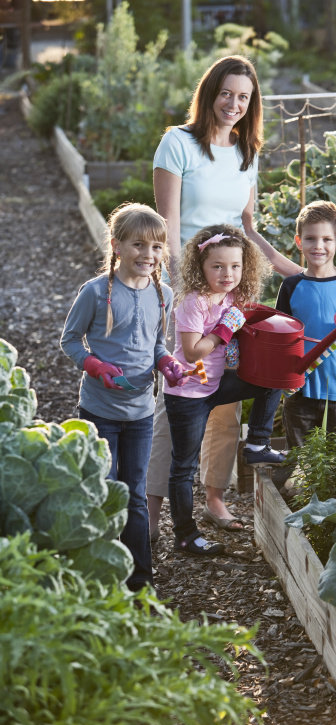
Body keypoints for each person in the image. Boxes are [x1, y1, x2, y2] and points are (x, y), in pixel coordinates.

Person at [147, 54, 300, 541]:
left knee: (229, 392)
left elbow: (247, 228)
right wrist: (175, 285)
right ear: (210, 92)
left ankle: (214, 495)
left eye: (244, 97)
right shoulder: (179, 144)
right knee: (178, 399)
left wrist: (287, 267)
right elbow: (167, 222)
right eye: (227, 93)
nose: (234, 104)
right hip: (189, 286)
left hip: (232, 286)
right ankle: (149, 510)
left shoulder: (244, 153)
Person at [60, 203, 188, 591]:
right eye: (138, 245)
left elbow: (155, 346)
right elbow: (69, 341)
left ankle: (139, 578)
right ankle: (99, 570)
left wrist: (167, 363)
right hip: (99, 409)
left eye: (155, 247)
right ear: (116, 246)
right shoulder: (96, 293)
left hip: (140, 413)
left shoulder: (163, 293)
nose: (148, 255)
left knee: (133, 491)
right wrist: (95, 366)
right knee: (105, 488)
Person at [165, 224, 284, 556]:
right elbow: (192, 351)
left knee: (273, 378)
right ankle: (186, 535)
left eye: (235, 266)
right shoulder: (194, 301)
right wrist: (223, 331)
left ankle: (258, 442)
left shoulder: (232, 297)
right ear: (200, 267)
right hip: (187, 394)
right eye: (217, 266)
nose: (227, 273)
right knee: (183, 466)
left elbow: (239, 338)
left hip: (216, 385)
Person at [276, 200, 336, 448]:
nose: (318, 246)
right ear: (299, 242)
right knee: (303, 460)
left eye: (327, 240)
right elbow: (280, 336)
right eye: (310, 239)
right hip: (300, 388)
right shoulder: (291, 286)